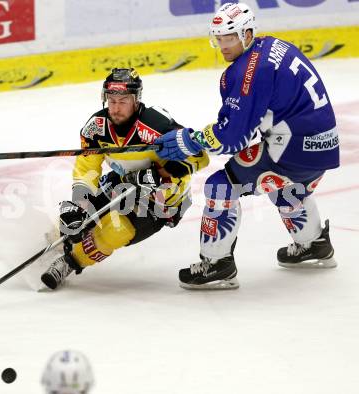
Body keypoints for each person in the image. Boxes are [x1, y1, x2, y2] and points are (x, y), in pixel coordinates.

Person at [155, 2, 339, 290]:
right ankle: (314, 243)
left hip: (294, 147)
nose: (223, 45)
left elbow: (232, 139)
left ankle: (217, 264)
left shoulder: (248, 72)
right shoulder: (273, 45)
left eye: (229, 38)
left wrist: (188, 140)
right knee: (281, 181)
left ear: (248, 33)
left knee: (221, 185)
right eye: (219, 39)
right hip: (324, 144)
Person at [41, 67, 209, 290]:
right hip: (124, 182)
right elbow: (86, 168)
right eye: (112, 101)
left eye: (123, 101)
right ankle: (53, 243)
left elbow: (200, 157)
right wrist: (79, 202)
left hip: (162, 199)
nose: (116, 108)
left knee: (116, 230)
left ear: (136, 100)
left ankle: (70, 262)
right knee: (75, 218)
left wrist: (157, 174)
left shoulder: (157, 125)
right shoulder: (96, 129)